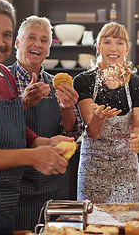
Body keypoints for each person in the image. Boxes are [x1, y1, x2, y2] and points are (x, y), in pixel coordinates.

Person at [0, 0, 72, 235]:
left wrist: (45, 142)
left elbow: (13, 127)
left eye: (5, 34)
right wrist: (33, 156)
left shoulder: (3, 75)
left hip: (4, 201)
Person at [8, 15, 83, 231]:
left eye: (44, 40)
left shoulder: (56, 84)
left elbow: (72, 132)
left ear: (49, 49)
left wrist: (66, 108)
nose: (38, 44)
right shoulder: (2, 81)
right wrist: (22, 102)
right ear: (17, 43)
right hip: (16, 185)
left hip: (53, 184)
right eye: (31, 37)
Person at [73, 22, 139, 203]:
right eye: (107, 42)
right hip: (92, 169)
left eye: (119, 43)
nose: (113, 48)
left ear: (127, 49)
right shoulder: (84, 82)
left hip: (126, 170)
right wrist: (98, 119)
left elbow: (137, 129)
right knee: (93, 224)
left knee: (128, 223)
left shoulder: (137, 85)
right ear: (98, 47)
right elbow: (92, 132)